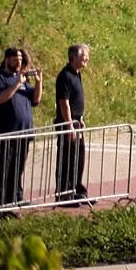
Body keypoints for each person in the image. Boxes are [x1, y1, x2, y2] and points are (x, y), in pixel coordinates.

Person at [0, 47, 40, 210]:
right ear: (7, 59)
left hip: (23, 133)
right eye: (16, 59)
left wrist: (39, 82)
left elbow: (35, 100)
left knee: (15, 171)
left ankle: (11, 203)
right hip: (3, 134)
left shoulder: (20, 78)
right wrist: (17, 84)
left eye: (21, 59)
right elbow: (0, 99)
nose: (19, 62)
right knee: (0, 172)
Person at [53, 43, 89, 202]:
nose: (87, 58)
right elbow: (64, 103)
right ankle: (64, 193)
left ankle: (77, 189)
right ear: (73, 57)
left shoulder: (77, 74)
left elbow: (76, 101)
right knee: (66, 159)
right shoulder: (65, 76)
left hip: (76, 122)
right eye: (84, 55)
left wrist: (79, 119)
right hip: (67, 125)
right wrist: (69, 126)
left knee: (78, 158)